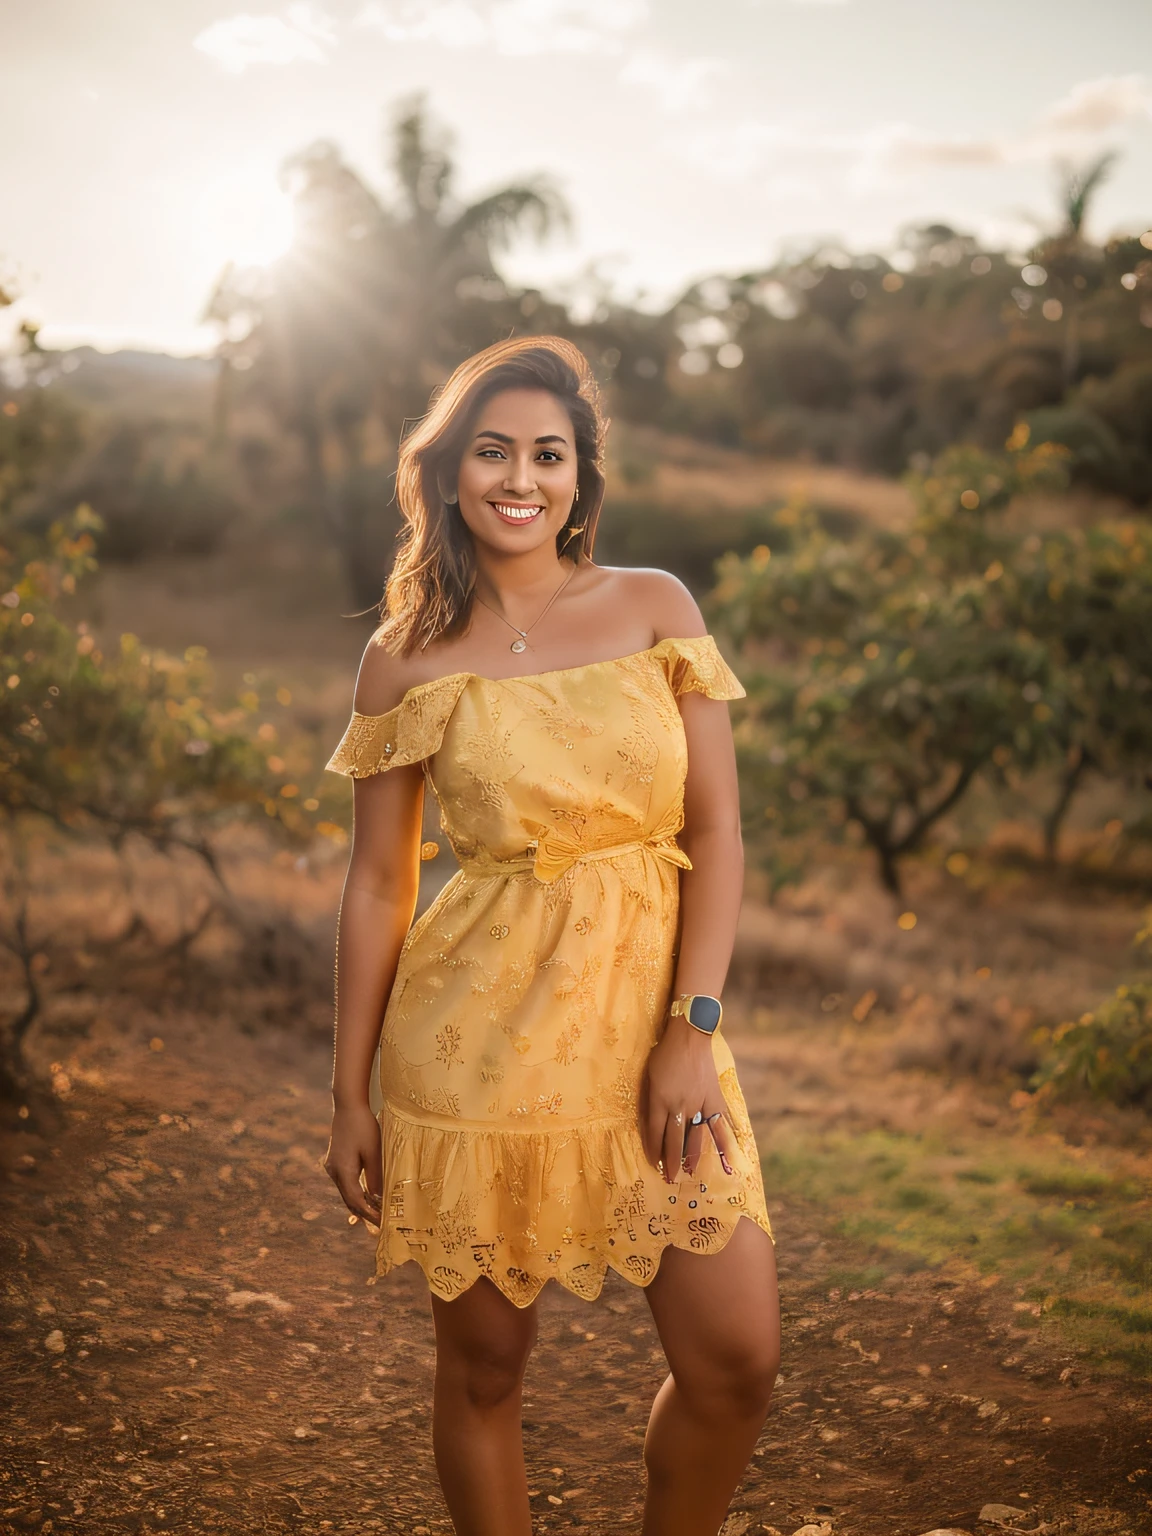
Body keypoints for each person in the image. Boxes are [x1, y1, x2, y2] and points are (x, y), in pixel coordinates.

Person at [323, 335, 779, 1536]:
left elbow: (720, 832)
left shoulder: (652, 607)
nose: (518, 477)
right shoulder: (401, 657)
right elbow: (378, 884)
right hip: (472, 1047)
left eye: (547, 453)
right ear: (448, 471)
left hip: (652, 1036)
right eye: (492, 450)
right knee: (484, 1370)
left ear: (581, 476)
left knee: (737, 1361)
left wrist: (696, 1026)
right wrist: (348, 1096)